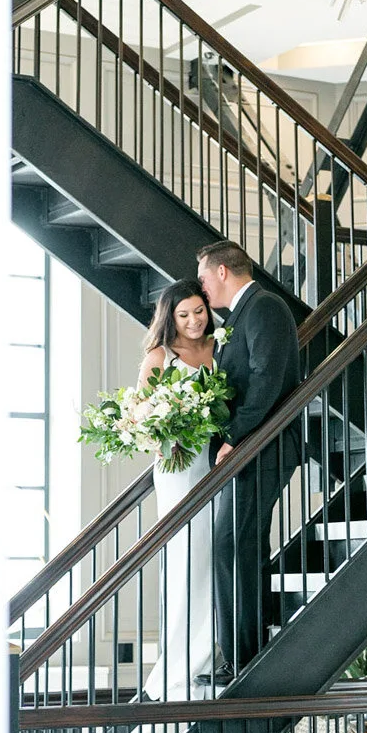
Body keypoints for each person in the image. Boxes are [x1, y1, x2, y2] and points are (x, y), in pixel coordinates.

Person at [195, 241, 301, 685]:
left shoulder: (265, 307)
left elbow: (266, 379)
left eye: (202, 277)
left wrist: (236, 438)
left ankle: (243, 658)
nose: (201, 287)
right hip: (252, 448)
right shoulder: (239, 316)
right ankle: (243, 654)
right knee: (239, 547)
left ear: (222, 271)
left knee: (231, 546)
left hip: (266, 446)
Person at [137, 279, 218, 701]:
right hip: (178, 467)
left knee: (214, 554)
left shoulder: (220, 347)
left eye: (198, 311)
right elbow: (141, 419)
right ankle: (182, 662)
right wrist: (171, 430)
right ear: (170, 317)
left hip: (215, 462)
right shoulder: (160, 357)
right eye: (183, 314)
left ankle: (209, 651)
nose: (192, 321)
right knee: (186, 556)